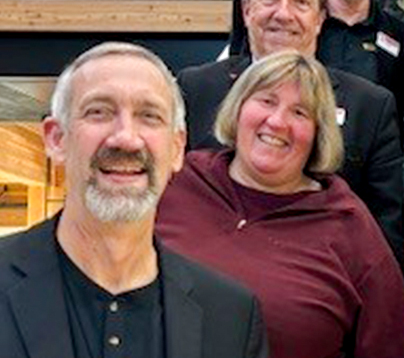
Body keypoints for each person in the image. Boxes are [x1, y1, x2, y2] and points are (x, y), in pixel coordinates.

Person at [0, 42, 266, 358]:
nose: (126, 138)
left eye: (149, 116)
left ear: (177, 149)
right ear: (57, 139)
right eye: (99, 112)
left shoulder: (230, 317)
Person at [157, 51, 404, 358]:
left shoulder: (349, 226)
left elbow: (393, 346)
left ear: (319, 134)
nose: (277, 121)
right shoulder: (176, 181)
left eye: (300, 112)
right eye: (267, 101)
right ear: (237, 108)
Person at [178, 0, 404, 265]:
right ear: (246, 10)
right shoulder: (195, 88)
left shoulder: (370, 106)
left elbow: (385, 236)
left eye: (301, 2)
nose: (283, 14)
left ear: (320, 19)